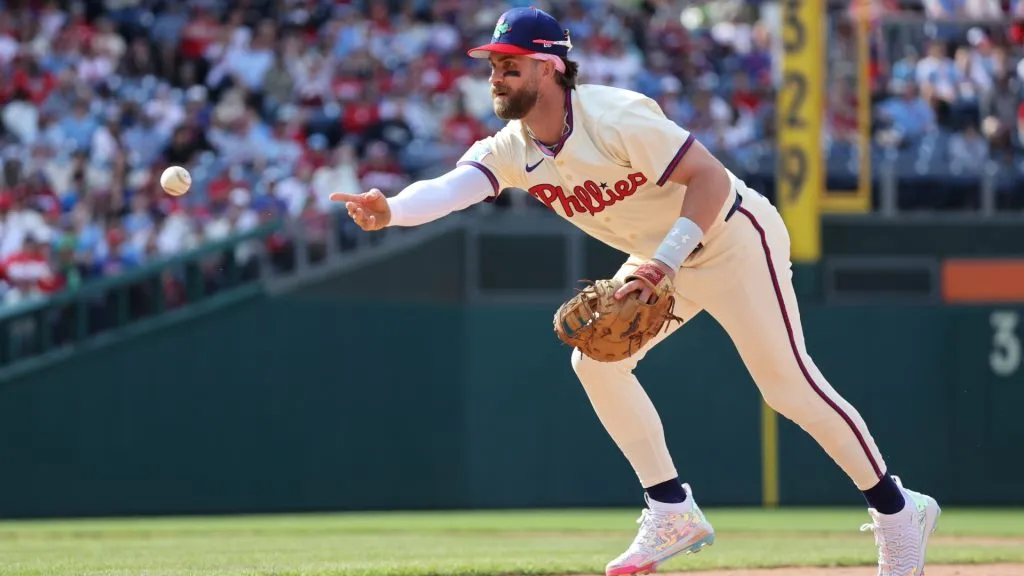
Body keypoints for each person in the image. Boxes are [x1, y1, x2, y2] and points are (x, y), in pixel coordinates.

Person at [330, 7, 940, 576]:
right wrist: (394, 211)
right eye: (491, 64)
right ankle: (671, 507)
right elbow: (453, 187)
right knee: (594, 362)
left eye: (508, 63)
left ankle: (897, 509)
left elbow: (706, 177)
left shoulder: (614, 116)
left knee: (788, 386)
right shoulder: (514, 148)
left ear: (550, 67)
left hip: (730, 236)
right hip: (660, 256)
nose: (495, 74)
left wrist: (666, 262)